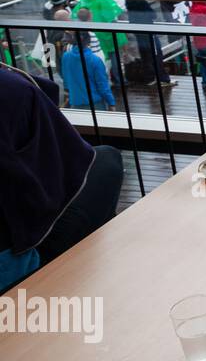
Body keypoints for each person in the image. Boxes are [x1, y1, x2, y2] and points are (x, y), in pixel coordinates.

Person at [0, 63, 124, 292]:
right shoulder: (11, 89)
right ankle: (83, 277)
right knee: (107, 160)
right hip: (17, 272)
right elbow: (67, 163)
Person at [61, 38, 115, 110]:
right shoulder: (96, 60)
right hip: (96, 105)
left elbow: (66, 82)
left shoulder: (65, 57)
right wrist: (111, 103)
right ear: (89, 43)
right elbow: (103, 86)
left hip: (75, 104)